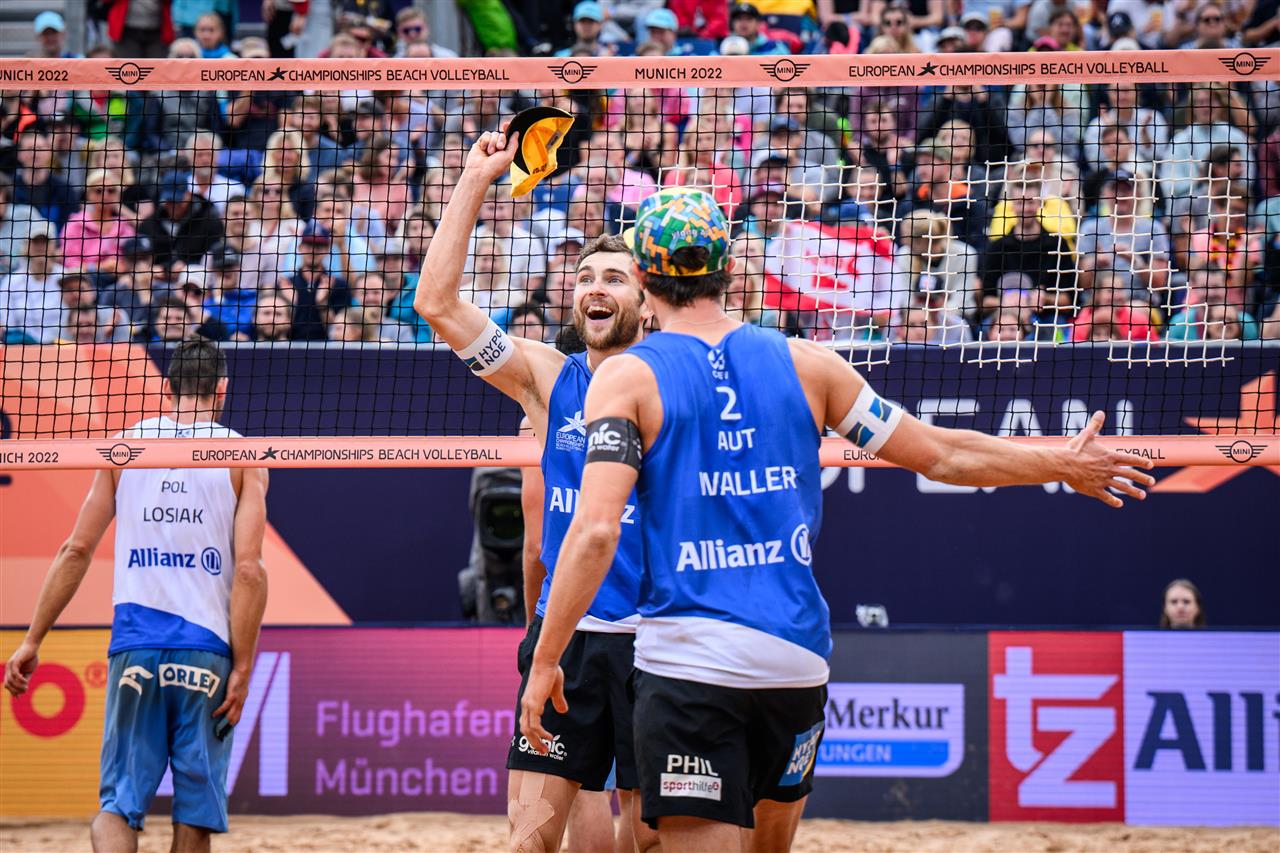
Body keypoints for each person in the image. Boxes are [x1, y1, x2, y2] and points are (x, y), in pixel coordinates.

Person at [519, 187, 1155, 851]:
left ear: (644, 279)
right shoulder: (808, 364)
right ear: (730, 269)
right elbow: (941, 454)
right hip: (792, 661)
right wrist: (1061, 461)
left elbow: (596, 531)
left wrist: (547, 654)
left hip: (690, 660)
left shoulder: (624, 378)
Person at [413, 129, 657, 853]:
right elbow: (437, 303)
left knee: (650, 841)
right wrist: (475, 178)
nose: (595, 287)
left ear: (647, 298)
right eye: (585, 278)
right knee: (530, 839)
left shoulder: (677, 378)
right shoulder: (550, 379)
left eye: (614, 278)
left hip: (661, 640)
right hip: (569, 636)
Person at [3, 339, 268, 853]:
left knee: (117, 807)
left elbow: (76, 549)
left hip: (135, 645)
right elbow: (249, 571)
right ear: (222, 389)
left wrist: (33, 639)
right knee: (195, 814)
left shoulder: (124, 448)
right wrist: (242, 667)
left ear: (168, 388)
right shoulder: (242, 454)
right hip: (206, 650)